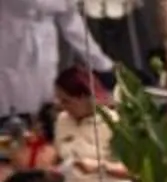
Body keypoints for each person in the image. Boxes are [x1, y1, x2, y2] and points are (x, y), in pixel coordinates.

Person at [0, 0, 107, 129]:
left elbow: (73, 25)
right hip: (10, 41)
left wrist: (102, 64)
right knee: (13, 105)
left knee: (46, 107)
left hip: (45, 41)